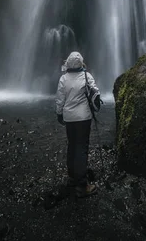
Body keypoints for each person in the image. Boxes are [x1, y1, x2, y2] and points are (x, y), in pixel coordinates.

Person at [55, 51, 99, 198]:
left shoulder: (63, 79)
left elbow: (60, 99)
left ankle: (72, 178)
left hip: (69, 118)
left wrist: (59, 113)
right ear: (81, 63)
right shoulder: (87, 76)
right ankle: (82, 185)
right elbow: (95, 93)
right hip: (83, 118)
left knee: (72, 146)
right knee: (81, 148)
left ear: (68, 63)